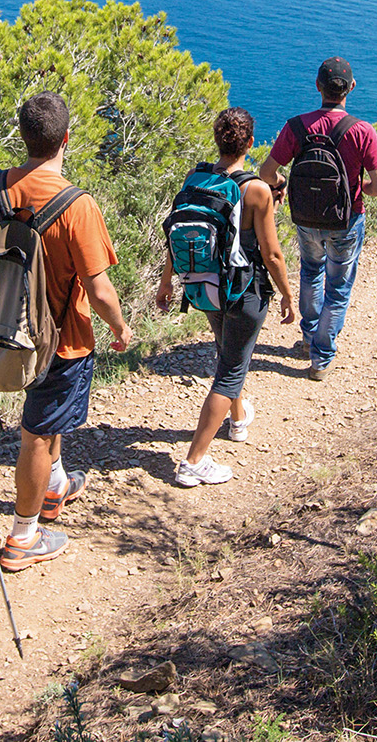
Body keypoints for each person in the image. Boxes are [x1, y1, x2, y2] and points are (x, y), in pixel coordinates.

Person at [0, 91, 132, 570]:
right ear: (66, 139)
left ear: (23, 137)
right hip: (63, 343)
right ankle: (23, 536)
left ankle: (54, 488)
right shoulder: (77, 206)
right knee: (36, 436)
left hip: (1, 331)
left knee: (47, 426)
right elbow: (99, 288)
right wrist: (121, 327)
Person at [155, 107, 296, 486]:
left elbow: (177, 230)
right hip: (245, 291)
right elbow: (272, 254)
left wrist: (167, 281)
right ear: (250, 143)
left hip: (204, 285)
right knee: (232, 369)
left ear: (218, 141)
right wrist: (286, 294)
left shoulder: (195, 178)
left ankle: (236, 421)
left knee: (227, 352)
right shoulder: (257, 190)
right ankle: (194, 461)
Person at [260, 57, 377, 380]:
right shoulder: (362, 131)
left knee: (311, 271)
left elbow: (266, 173)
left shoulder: (296, 127)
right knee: (339, 286)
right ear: (352, 88)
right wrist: (358, 188)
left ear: (318, 86)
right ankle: (320, 358)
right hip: (346, 220)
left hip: (305, 217)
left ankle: (308, 338)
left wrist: (281, 185)